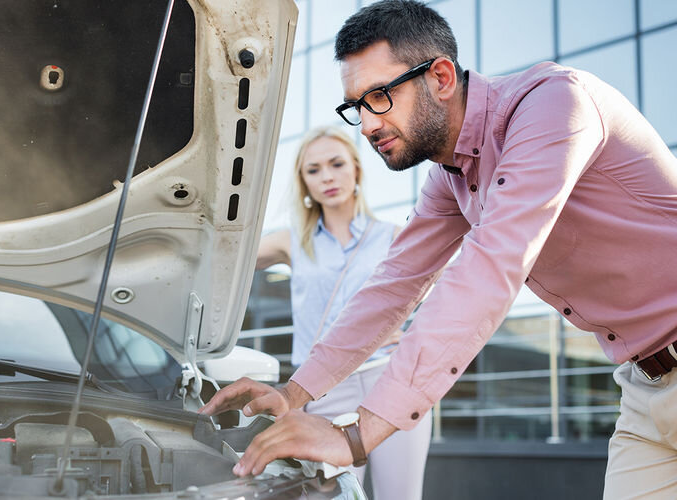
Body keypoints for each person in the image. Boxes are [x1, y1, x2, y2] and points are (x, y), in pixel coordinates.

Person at [200, 1, 677, 498]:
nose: (367, 125)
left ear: (442, 77)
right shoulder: (450, 178)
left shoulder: (554, 105)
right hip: (643, 389)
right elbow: (391, 287)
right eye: (356, 106)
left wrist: (358, 435)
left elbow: (489, 267)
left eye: (379, 97)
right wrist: (294, 392)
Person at [254, 126, 431, 499]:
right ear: (304, 182)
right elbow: (228, 256)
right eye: (314, 169)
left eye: (336, 164)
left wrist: (412, 324)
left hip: (390, 378)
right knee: (336, 496)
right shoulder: (291, 241)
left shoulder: (392, 237)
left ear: (356, 170)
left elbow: (449, 277)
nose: (327, 177)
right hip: (322, 388)